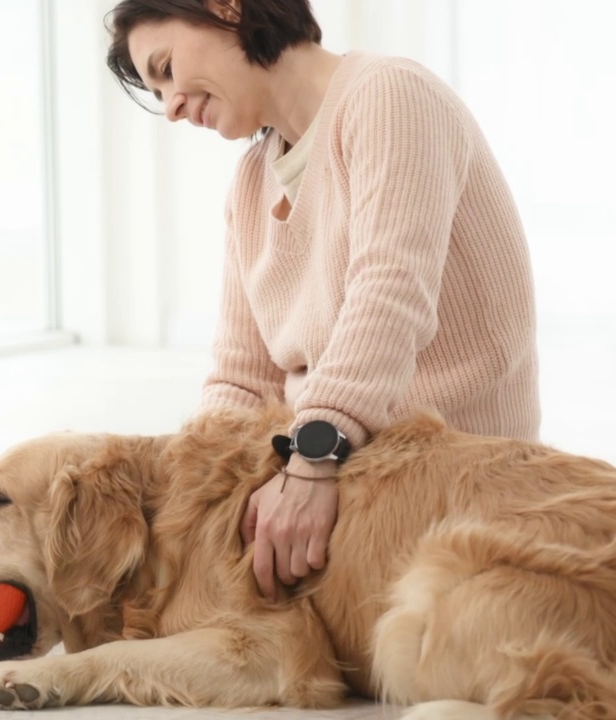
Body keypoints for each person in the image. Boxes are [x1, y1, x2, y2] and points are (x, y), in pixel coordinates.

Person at [105, 0, 540, 602]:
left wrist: (312, 460)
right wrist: (189, 494)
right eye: (158, 93)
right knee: (130, 560)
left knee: (213, 607)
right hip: (347, 463)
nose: (172, 107)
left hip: (445, 470)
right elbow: (240, 375)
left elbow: (389, 298)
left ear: (225, 8)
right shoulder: (252, 183)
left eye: (167, 69)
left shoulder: (390, 96)